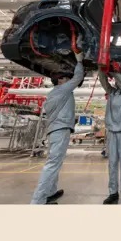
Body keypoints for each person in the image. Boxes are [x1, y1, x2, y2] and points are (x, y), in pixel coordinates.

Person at [31, 51, 85, 205]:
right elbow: (78, 78)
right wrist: (79, 61)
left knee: (55, 162)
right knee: (53, 164)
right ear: (60, 80)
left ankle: (50, 192)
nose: (68, 80)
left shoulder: (54, 93)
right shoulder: (62, 90)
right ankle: (38, 201)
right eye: (65, 78)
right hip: (60, 131)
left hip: (55, 131)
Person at [98, 64, 121, 205]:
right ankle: (113, 193)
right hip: (112, 133)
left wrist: (114, 71)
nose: (117, 83)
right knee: (112, 164)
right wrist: (101, 68)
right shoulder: (112, 93)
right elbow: (103, 82)